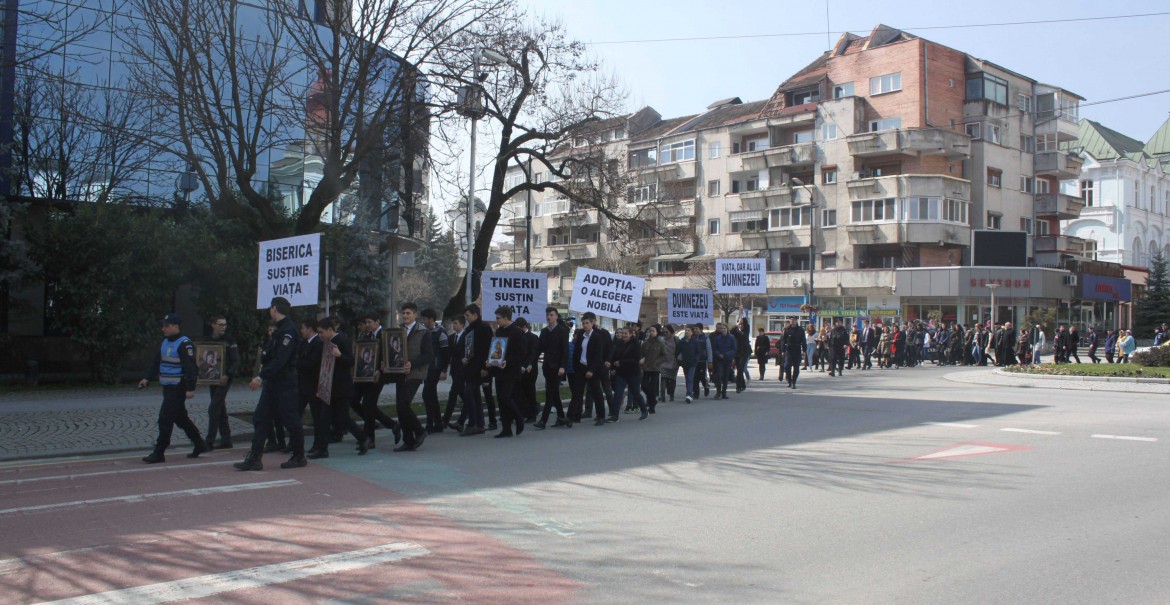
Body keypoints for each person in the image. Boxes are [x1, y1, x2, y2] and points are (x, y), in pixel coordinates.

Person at [235, 297, 306, 471]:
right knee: (260, 417)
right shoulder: (279, 330)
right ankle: (255, 458)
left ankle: (299, 456)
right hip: (273, 383)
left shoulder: (288, 331)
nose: (270, 311)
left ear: (274, 308)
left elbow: (281, 359)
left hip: (285, 383)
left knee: (290, 420)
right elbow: (268, 353)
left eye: (270, 308)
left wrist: (260, 377)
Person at [138, 314, 209, 464]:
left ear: (176, 327)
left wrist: (190, 388)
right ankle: (199, 443)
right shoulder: (165, 341)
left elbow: (190, 368)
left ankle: (159, 452)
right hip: (168, 387)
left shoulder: (184, 344)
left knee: (165, 418)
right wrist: (147, 378)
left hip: (178, 387)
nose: (163, 328)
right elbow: (157, 361)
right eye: (163, 325)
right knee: (180, 418)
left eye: (167, 326)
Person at [308, 316, 369, 458]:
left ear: (330, 330)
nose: (320, 335)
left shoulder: (341, 340)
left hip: (342, 388)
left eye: (322, 332)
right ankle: (322, 449)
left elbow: (351, 361)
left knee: (343, 418)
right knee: (324, 417)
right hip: (328, 386)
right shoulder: (325, 342)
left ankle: (363, 438)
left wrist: (339, 355)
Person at [351, 312, 401, 448]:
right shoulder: (367, 336)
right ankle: (392, 424)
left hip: (378, 376)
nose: (367, 325)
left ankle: (369, 438)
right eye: (366, 322)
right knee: (356, 401)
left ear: (377, 322)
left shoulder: (383, 335)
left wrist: (380, 369)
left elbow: (389, 355)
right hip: (365, 376)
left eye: (369, 322)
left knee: (368, 404)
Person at [393, 302, 432, 451]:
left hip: (415, 373)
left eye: (408, 313)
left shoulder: (423, 332)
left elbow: (428, 356)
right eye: (403, 313)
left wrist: (412, 364)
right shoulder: (398, 331)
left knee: (403, 405)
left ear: (415, 315)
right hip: (400, 373)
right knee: (400, 408)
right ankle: (408, 441)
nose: (405, 316)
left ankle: (420, 431)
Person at [204, 315, 240, 450]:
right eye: (220, 324)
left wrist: (227, 375)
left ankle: (209, 442)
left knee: (213, 408)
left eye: (224, 325)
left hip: (225, 379)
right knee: (220, 408)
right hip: (212, 378)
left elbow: (236, 361)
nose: (223, 327)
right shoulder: (207, 340)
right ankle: (226, 440)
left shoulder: (230, 341)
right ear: (213, 325)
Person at [458, 304, 494, 436]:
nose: (466, 318)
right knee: (475, 396)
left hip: (480, 367)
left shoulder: (484, 328)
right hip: (470, 366)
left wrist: (485, 368)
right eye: (465, 316)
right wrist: (464, 357)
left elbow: (488, 348)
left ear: (475, 315)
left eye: (468, 315)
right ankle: (479, 424)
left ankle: (473, 423)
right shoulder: (469, 329)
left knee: (468, 393)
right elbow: (465, 347)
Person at [569, 313, 610, 425]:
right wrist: (576, 366)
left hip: (593, 369)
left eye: (587, 323)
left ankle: (601, 416)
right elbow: (577, 351)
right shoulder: (581, 334)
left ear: (593, 323)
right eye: (583, 323)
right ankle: (572, 417)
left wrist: (591, 370)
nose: (585, 325)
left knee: (596, 392)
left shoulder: (598, 336)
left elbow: (598, 356)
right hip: (581, 367)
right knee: (577, 393)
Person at [536, 307, 570, 429]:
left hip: (558, 368)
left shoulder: (563, 331)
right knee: (554, 392)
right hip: (547, 367)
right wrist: (530, 362)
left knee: (549, 393)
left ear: (556, 316)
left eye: (551, 315)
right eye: (547, 315)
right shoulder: (544, 331)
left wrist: (562, 367)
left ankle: (543, 421)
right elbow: (538, 348)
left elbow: (565, 351)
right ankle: (562, 418)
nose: (548, 317)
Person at [420, 308, 450, 434]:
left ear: (431, 319)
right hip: (428, 368)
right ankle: (436, 423)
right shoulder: (425, 332)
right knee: (431, 395)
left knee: (427, 394)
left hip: (436, 368)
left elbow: (446, 353)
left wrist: (444, 370)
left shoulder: (441, 333)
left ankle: (430, 423)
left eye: (425, 319)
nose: (423, 321)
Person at [610, 327, 648, 420]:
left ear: (631, 334)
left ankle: (644, 411)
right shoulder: (619, 344)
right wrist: (613, 366)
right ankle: (614, 416)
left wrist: (621, 363)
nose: (623, 335)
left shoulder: (635, 344)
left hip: (633, 373)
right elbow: (614, 356)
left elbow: (635, 360)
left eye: (626, 333)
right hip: (621, 373)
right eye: (622, 333)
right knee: (618, 393)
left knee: (636, 394)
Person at [444, 317, 467, 431]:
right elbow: (449, 354)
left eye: (456, 323)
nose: (454, 325)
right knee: (462, 394)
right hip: (455, 369)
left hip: (463, 370)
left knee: (453, 393)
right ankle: (473, 414)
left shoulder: (467, 336)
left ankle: (445, 420)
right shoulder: (451, 337)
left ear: (462, 325)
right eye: (453, 323)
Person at [517, 317, 542, 423]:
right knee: (520, 392)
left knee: (530, 391)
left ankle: (532, 413)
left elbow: (533, 353)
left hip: (530, 369)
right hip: (519, 368)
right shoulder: (517, 337)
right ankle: (522, 413)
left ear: (524, 327)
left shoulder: (533, 337)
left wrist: (528, 364)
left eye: (519, 328)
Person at [640, 325, 665, 414]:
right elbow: (641, 353)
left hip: (655, 368)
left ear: (657, 332)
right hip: (646, 367)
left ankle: (651, 406)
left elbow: (664, 355)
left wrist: (657, 362)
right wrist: (642, 359)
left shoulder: (660, 343)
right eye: (650, 331)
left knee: (653, 387)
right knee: (644, 386)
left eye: (653, 331)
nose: (651, 332)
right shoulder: (645, 343)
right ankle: (652, 400)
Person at [710, 323, 736, 400]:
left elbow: (733, 349)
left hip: (727, 359)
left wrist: (726, 354)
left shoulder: (731, 338)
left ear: (727, 329)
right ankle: (718, 392)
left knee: (726, 376)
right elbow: (714, 348)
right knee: (719, 375)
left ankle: (724, 392)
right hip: (719, 359)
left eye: (724, 328)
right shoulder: (717, 338)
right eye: (721, 329)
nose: (723, 330)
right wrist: (718, 354)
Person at [677, 326, 701, 403]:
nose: (687, 332)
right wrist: (679, 361)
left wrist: (695, 359)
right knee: (687, 379)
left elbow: (698, 352)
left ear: (691, 332)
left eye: (689, 330)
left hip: (692, 363)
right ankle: (689, 392)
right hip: (684, 363)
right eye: (686, 330)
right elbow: (677, 352)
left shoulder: (695, 342)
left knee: (690, 378)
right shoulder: (681, 342)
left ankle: (689, 394)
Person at [781, 317, 806, 388]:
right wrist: (783, 350)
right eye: (791, 320)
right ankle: (789, 380)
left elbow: (803, 340)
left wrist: (804, 350)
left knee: (796, 367)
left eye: (794, 320)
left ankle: (794, 381)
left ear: (796, 321)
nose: (792, 321)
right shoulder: (787, 329)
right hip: (789, 350)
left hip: (797, 349)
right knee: (786, 366)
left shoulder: (800, 330)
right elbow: (783, 340)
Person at [659, 323, 679, 403]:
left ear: (671, 332)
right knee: (663, 378)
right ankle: (662, 395)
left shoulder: (676, 339)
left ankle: (671, 394)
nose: (665, 334)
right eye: (663, 332)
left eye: (666, 332)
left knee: (672, 379)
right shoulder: (661, 339)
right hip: (663, 362)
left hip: (673, 362)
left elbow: (680, 349)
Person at [732, 317, 751, 393]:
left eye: (742, 323)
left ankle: (738, 386)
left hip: (744, 352)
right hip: (737, 352)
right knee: (739, 369)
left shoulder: (746, 329)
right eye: (739, 323)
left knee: (740, 369)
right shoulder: (735, 330)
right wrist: (736, 325)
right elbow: (731, 332)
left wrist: (741, 314)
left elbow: (742, 335)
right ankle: (743, 384)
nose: (740, 325)